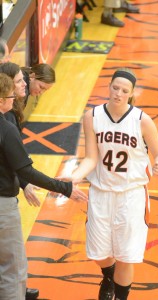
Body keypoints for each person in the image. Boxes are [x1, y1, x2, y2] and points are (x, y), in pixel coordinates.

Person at [63, 68, 158, 300]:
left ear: (131, 94)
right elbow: (91, 157)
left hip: (131, 195)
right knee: (98, 253)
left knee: (126, 255)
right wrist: (76, 176)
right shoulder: (92, 116)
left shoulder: (142, 120)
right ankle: (108, 273)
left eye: (124, 91)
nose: (118, 93)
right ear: (109, 86)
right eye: (115, 88)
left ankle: (120, 296)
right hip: (100, 192)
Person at [0, 72, 88, 300]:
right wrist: (64, 188)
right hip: (2, 208)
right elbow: (26, 170)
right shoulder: (6, 129)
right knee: (13, 268)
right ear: (0, 100)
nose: (14, 100)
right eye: (10, 96)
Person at [0, 61, 54, 299]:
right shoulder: (7, 122)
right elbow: (17, 160)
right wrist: (65, 187)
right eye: (20, 82)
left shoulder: (12, 111)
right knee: (14, 265)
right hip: (3, 201)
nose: (28, 88)